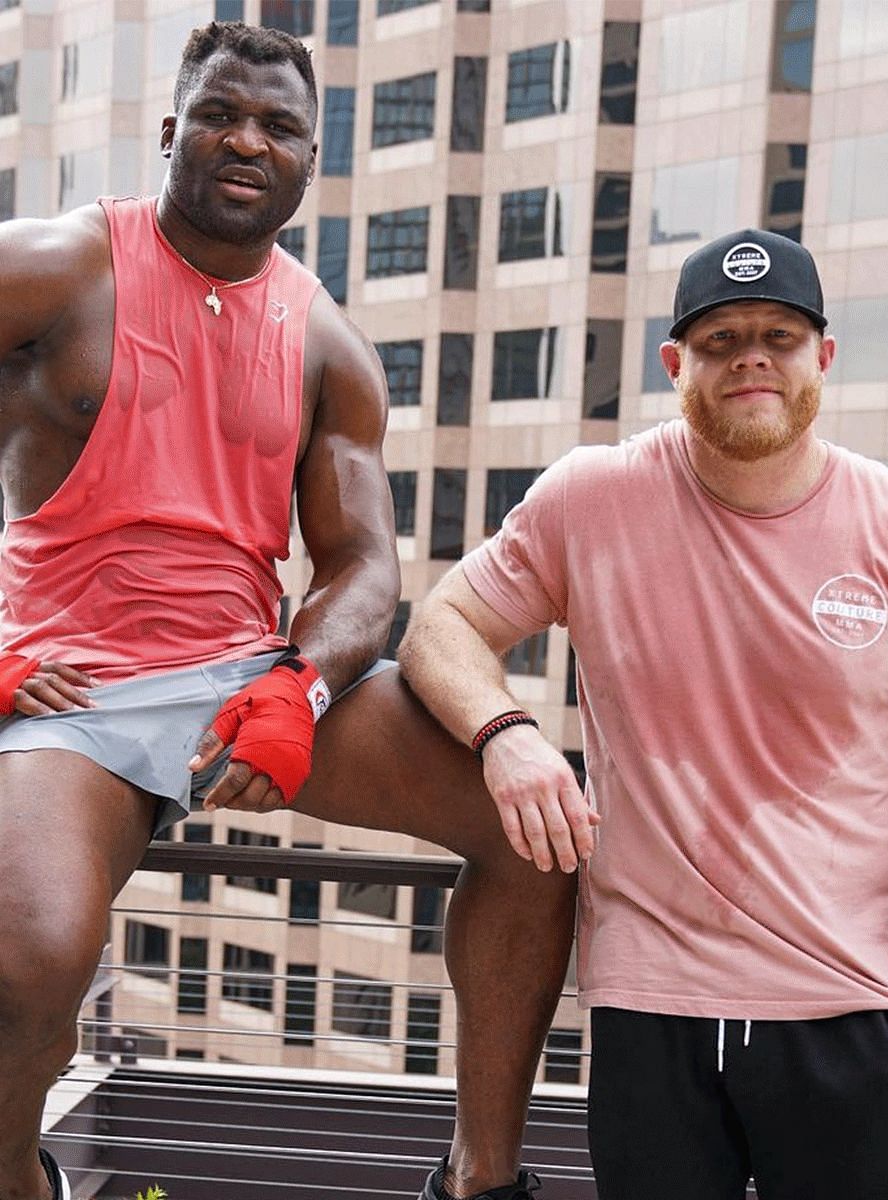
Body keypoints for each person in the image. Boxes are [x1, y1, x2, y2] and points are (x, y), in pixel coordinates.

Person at [0, 23, 576, 1200]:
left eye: (279, 126)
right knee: (26, 965)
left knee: (537, 831)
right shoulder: (57, 267)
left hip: (240, 671)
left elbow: (365, 563)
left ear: (313, 163)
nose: (245, 140)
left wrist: (297, 684)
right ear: (171, 131)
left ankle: (481, 1179)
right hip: (66, 681)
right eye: (220, 113)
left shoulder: (330, 346)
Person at [398, 227, 888, 1198]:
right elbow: (442, 626)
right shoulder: (593, 499)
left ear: (822, 358)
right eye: (720, 340)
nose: (752, 356)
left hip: (849, 1013)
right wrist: (508, 737)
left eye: (780, 336)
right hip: (649, 1011)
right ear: (677, 365)